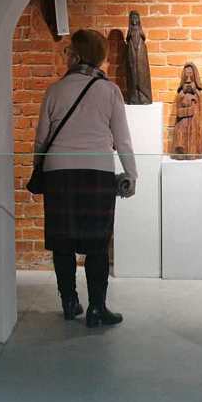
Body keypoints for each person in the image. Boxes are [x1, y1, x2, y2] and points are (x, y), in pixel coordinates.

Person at [34, 29, 137, 328]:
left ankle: (69, 302)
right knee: (97, 243)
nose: (65, 55)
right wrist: (131, 174)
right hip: (96, 173)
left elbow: (41, 139)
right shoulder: (110, 91)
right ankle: (96, 308)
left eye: (69, 51)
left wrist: (38, 168)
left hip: (58, 173)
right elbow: (122, 139)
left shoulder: (55, 91)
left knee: (62, 241)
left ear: (77, 55)